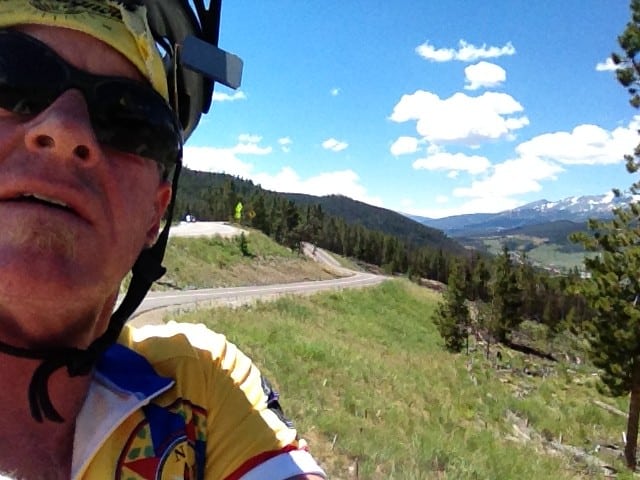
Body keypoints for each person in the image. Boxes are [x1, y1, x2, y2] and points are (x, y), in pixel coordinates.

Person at [0, 1, 327, 479]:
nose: (66, 129)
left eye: (129, 120)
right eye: (12, 80)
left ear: (156, 213)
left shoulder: (200, 387)